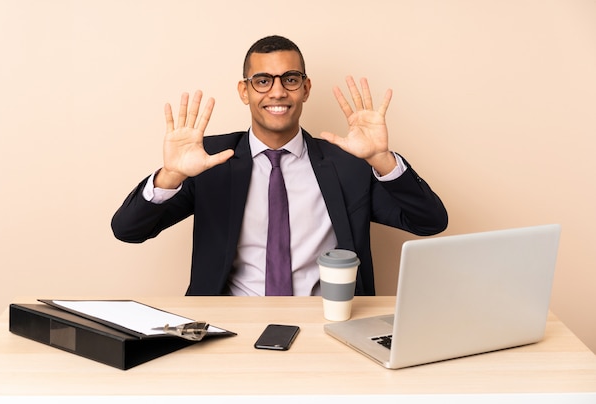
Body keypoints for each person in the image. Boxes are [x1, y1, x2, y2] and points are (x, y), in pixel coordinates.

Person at [111, 35, 448, 296]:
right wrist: (171, 175)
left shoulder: (348, 165)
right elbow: (128, 230)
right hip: (230, 326)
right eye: (262, 81)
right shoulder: (210, 160)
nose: (277, 92)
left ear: (305, 88)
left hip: (328, 323)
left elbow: (429, 222)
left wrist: (380, 158)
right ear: (244, 91)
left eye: (290, 79)